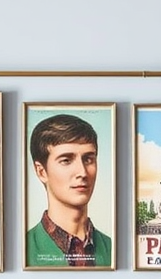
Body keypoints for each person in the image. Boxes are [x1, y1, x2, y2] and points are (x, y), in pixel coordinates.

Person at [25, 113, 112, 267]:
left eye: (88, 159)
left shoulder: (112, 249)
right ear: (41, 172)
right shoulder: (24, 249)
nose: (83, 172)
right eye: (66, 160)